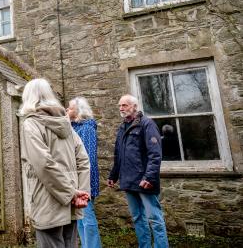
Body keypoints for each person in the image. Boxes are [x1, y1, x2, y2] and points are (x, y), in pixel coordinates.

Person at [20, 78, 91, 248]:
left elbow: (44, 164)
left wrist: (72, 194)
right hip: (72, 200)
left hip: (48, 201)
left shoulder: (31, 124)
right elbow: (83, 160)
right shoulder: (65, 123)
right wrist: (80, 193)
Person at [107, 94, 169, 248]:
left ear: (134, 106)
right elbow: (118, 154)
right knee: (137, 218)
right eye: (120, 106)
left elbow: (155, 155)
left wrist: (149, 177)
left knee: (154, 219)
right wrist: (113, 175)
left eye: (125, 105)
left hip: (144, 181)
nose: (121, 108)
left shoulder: (147, 124)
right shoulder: (122, 127)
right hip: (128, 180)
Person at [66, 97, 102, 248]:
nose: (67, 109)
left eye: (70, 108)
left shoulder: (86, 128)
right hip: (76, 180)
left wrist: (83, 185)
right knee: (80, 218)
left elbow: (87, 159)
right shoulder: (74, 127)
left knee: (87, 218)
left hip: (85, 180)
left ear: (79, 111)